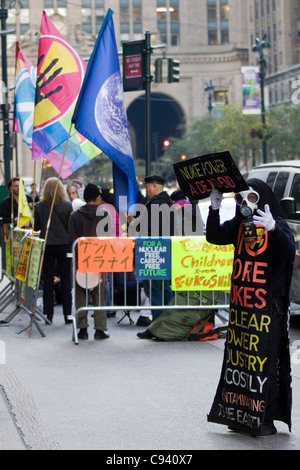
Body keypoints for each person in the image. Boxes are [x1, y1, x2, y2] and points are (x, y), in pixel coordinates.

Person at [206, 178, 295, 437]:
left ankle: (264, 418)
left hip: (268, 309)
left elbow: (289, 251)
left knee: (265, 365)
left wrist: (274, 229)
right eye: (241, 198)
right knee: (242, 365)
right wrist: (214, 209)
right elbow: (215, 236)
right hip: (244, 309)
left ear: (263, 197)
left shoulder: (276, 222)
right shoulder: (240, 224)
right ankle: (242, 415)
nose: (246, 204)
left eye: (252, 197)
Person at [68, 183, 110, 340]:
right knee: (99, 294)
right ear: (98, 198)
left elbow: (71, 239)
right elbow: (107, 238)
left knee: (80, 294)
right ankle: (100, 329)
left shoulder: (75, 216)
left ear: (84, 198)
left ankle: (82, 329)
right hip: (99, 260)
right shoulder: (105, 215)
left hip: (81, 261)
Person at [136, 174, 175, 330]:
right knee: (165, 289)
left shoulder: (154, 205)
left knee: (156, 290)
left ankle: (158, 326)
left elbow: (148, 230)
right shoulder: (168, 202)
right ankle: (168, 323)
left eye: (147, 187)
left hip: (154, 251)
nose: (146, 191)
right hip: (165, 250)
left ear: (153, 186)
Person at [34, 177, 73, 325]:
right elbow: (70, 227)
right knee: (66, 279)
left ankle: (48, 313)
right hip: (64, 245)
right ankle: (67, 314)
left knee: (48, 279)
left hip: (47, 246)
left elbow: (37, 227)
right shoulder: (67, 206)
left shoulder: (39, 206)